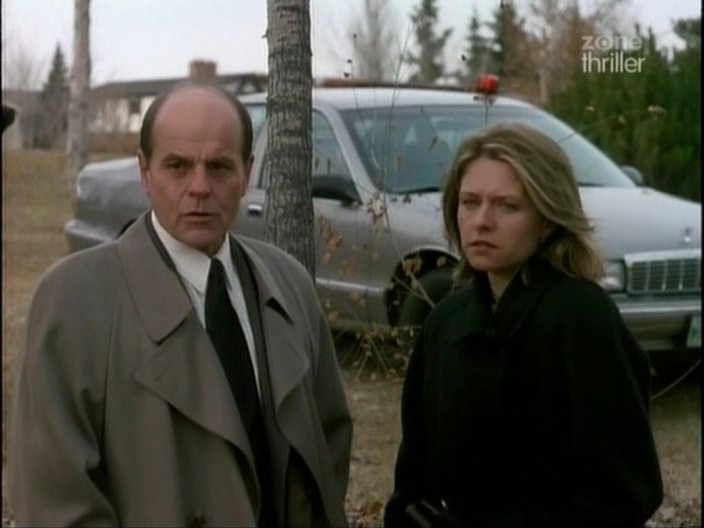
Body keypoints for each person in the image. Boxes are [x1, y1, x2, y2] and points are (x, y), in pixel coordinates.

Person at [9, 80, 353, 527]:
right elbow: (55, 499)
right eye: (177, 166)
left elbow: (327, 451)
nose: (199, 188)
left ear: (247, 173)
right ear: (145, 172)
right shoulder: (74, 301)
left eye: (219, 167)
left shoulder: (288, 284)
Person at [384, 123, 663, 528]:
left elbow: (624, 492)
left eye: (507, 206)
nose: (481, 221)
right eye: (469, 202)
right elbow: (413, 477)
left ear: (547, 220)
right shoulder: (447, 322)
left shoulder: (582, 318)